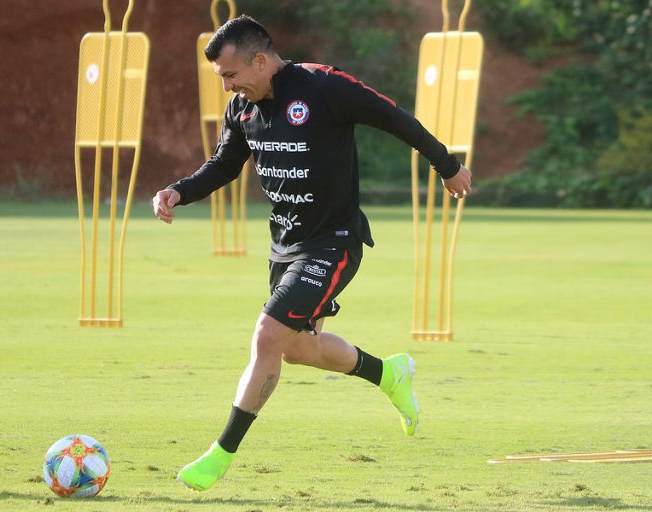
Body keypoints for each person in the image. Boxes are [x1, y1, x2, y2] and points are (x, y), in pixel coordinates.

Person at [152, 15, 472, 492]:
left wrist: (446, 165)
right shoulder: (243, 108)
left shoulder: (323, 86)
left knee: (267, 336)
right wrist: (178, 190)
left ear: (261, 61)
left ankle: (220, 455)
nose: (227, 87)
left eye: (230, 74)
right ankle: (389, 374)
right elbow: (224, 165)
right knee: (299, 348)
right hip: (285, 244)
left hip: (334, 242)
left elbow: (393, 116)